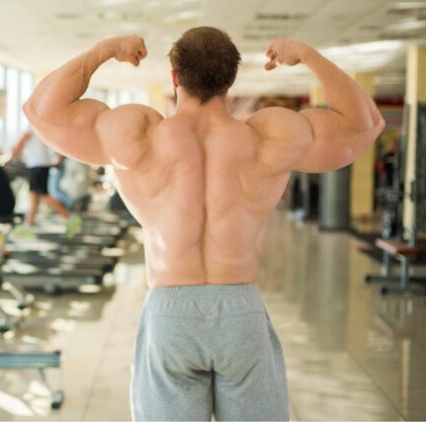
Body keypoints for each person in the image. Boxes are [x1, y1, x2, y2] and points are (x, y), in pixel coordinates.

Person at [24, 28, 383, 421]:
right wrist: (310, 55)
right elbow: (365, 124)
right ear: (231, 79)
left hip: (169, 312)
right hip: (240, 314)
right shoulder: (268, 137)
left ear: (175, 77)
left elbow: (41, 110)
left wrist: (104, 50)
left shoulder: (137, 135)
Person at [10, 130, 71, 226]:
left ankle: (70, 218)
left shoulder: (29, 124)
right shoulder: (34, 123)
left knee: (43, 195)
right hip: (37, 165)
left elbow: (21, 142)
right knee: (34, 196)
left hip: (38, 165)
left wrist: (11, 157)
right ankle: (28, 225)